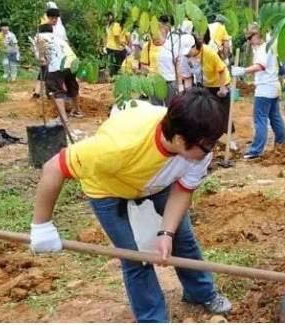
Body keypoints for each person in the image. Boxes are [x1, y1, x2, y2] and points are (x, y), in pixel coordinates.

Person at [28, 88, 233, 322]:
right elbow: (54, 167)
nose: (211, 151)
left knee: (182, 238)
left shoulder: (199, 146)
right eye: (207, 146)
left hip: (158, 183)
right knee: (135, 257)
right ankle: (153, 318)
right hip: (108, 190)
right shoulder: (118, 146)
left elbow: (183, 190)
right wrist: (41, 226)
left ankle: (201, 293)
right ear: (178, 139)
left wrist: (166, 233)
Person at [231, 24, 285, 160]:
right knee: (275, 117)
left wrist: (242, 70)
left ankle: (256, 150)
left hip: (264, 88)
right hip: (273, 86)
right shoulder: (270, 46)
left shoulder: (263, 49)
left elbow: (260, 66)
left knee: (260, 119)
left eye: (250, 37)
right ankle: (282, 144)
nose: (249, 41)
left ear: (257, 35)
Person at [178, 34, 237, 151]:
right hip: (204, 85)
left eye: (189, 51)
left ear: (195, 46)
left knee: (224, 113)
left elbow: (221, 70)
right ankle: (209, 139)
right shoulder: (185, 57)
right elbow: (188, 77)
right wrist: (188, 93)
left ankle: (230, 140)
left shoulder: (208, 52)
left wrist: (222, 88)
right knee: (207, 113)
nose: (187, 55)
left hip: (219, 83)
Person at [36, 24, 83, 122]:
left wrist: (42, 61)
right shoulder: (59, 39)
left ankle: (63, 118)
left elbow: (41, 59)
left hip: (57, 65)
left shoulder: (39, 37)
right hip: (72, 63)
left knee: (56, 90)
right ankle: (77, 111)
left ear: (40, 31)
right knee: (72, 86)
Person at [105, 12, 127, 76]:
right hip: (116, 47)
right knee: (119, 62)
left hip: (109, 47)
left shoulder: (108, 25)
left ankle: (112, 75)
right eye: (108, 16)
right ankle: (116, 75)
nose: (109, 17)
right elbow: (116, 36)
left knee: (112, 63)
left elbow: (107, 36)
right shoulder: (115, 25)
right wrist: (121, 43)